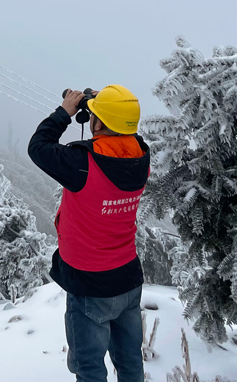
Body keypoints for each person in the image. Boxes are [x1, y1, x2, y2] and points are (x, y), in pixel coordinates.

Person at [28, 85, 148, 382]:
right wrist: (103, 105)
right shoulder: (141, 157)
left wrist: (65, 112)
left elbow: (38, 147)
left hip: (90, 283)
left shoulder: (82, 164)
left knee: (89, 368)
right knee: (131, 362)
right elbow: (127, 135)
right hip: (128, 278)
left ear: (99, 122)